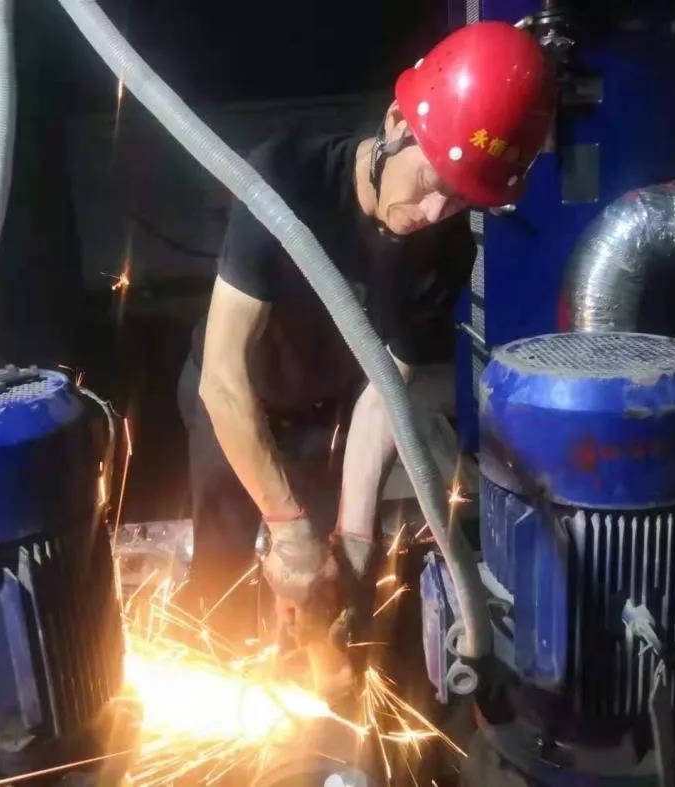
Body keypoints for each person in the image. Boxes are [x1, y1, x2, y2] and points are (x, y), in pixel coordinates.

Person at [177, 21, 555, 644]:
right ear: (396, 124)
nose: (434, 213)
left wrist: (354, 543)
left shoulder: (446, 249)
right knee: (223, 584)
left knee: (323, 595)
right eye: (432, 182)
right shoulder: (286, 178)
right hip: (236, 401)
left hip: (326, 415)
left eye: (461, 201)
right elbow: (223, 377)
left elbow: (384, 395)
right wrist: (287, 528)